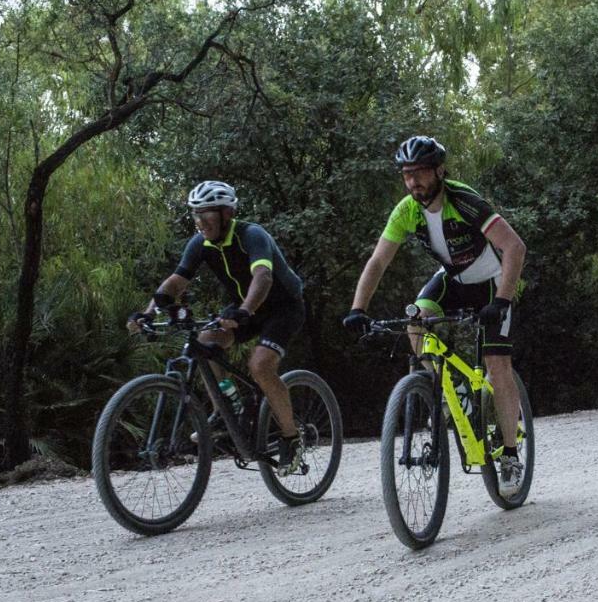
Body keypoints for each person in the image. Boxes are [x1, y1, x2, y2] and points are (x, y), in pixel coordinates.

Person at [342, 136, 528, 497]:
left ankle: (509, 455)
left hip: (492, 283)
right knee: (416, 320)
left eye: (421, 173)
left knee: (497, 364)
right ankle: (444, 390)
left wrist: (503, 300)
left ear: (440, 171)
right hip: (453, 280)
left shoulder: (465, 201)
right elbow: (379, 260)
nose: (414, 182)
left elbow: (514, 247)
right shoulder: (406, 211)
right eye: (407, 175)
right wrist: (357, 309)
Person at [127, 180, 307, 468]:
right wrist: (148, 313)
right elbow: (175, 282)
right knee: (206, 341)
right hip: (244, 307)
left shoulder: (251, 235)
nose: (200, 221)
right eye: (196, 214)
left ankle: (291, 437)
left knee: (260, 365)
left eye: (207, 213)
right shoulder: (200, 243)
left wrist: (245, 311)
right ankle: (227, 406)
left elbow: (263, 277)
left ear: (226, 213)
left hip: (282, 307)